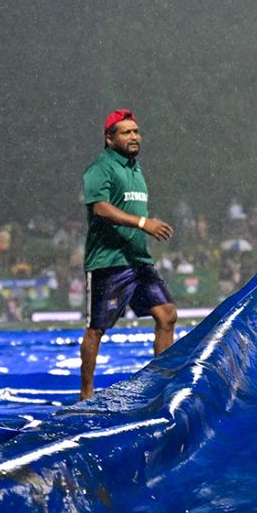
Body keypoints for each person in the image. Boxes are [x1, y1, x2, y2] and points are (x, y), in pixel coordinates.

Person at [80, 108, 177, 401]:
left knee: (167, 315)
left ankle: (160, 385)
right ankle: (85, 394)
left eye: (136, 131)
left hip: (138, 261)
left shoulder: (135, 170)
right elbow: (99, 207)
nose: (134, 136)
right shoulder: (101, 166)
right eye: (126, 132)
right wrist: (142, 223)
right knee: (97, 329)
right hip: (109, 262)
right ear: (109, 139)